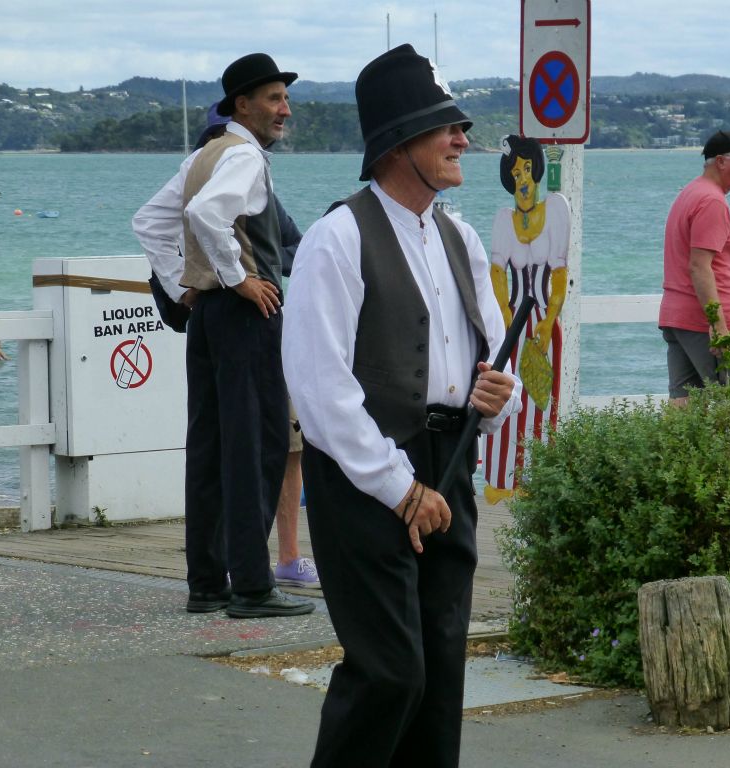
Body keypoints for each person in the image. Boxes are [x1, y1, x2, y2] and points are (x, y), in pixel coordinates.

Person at [282, 44, 520, 768]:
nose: (462, 140)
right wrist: (398, 487)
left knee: (443, 670)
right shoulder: (337, 238)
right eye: (444, 127)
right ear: (397, 141)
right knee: (390, 671)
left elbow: (494, 359)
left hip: (449, 465)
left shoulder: (463, 237)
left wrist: (497, 397)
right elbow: (321, 390)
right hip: (364, 478)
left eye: (459, 127)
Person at [131, 52, 313, 618]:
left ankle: (207, 582)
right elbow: (210, 215)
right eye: (274, 99)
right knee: (254, 447)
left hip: (206, 320)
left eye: (285, 98)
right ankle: (254, 588)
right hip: (245, 318)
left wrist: (185, 286)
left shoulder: (204, 154)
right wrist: (239, 280)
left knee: (209, 448)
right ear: (243, 104)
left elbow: (149, 222)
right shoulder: (244, 158)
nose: (285, 109)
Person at [483, 134, 570, 504]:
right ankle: (501, 479)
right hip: (508, 319)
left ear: (536, 172)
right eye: (516, 172)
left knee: (540, 398)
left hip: (540, 317)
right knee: (504, 394)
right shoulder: (503, 220)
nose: (523, 179)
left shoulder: (556, 210)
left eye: (528, 169)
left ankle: (536, 474)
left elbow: (560, 273)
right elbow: (496, 272)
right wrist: (503, 317)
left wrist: (548, 322)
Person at [658, 129, 730, 405]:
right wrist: (718, 326)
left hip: (678, 316)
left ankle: (667, 451)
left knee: (685, 408)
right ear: (720, 161)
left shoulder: (690, 193)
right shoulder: (712, 202)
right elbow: (699, 267)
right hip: (711, 322)